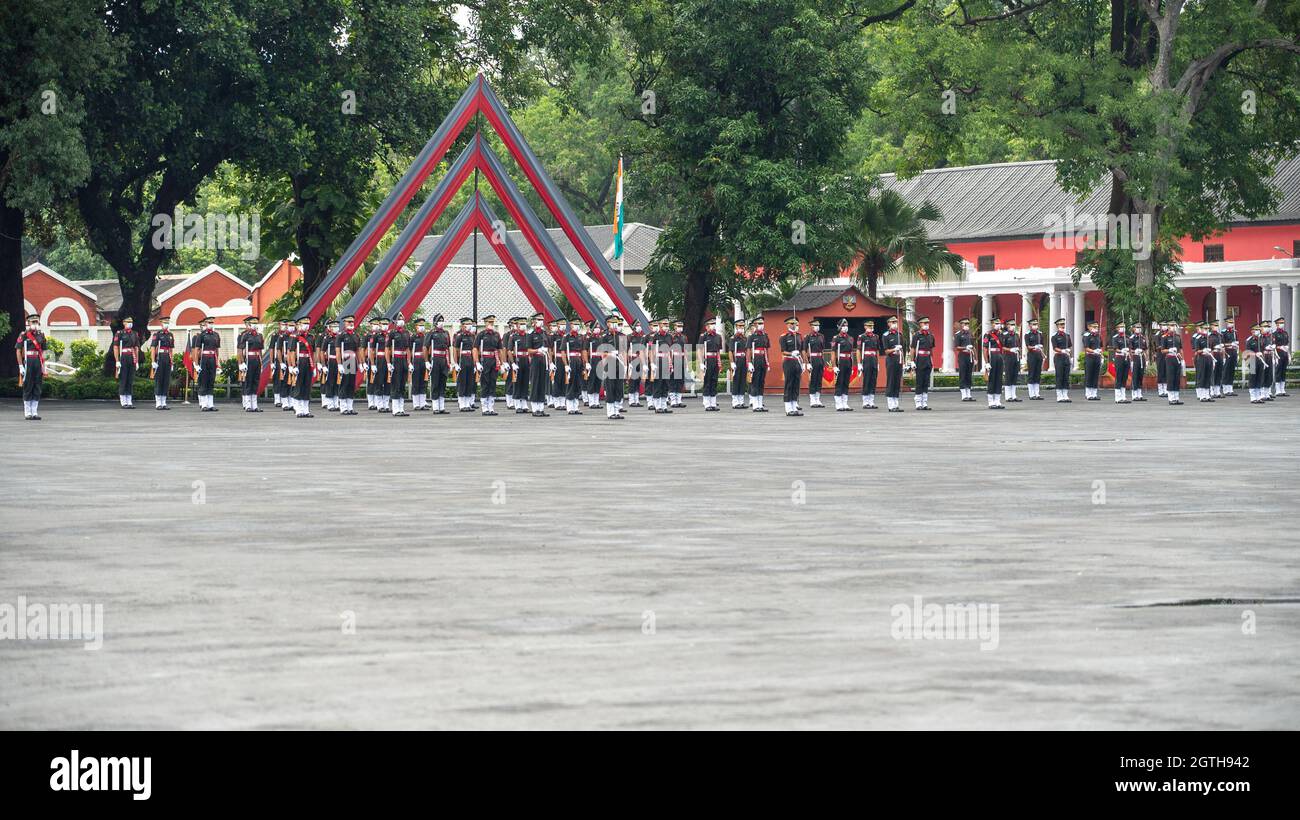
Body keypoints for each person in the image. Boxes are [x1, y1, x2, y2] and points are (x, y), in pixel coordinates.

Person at [15, 314, 47, 420]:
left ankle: (35, 412)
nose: (34, 324)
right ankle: (28, 412)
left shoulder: (41, 335)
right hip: (28, 362)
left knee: (37, 386)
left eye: (36, 322)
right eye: (32, 322)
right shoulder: (24, 334)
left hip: (38, 362)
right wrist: (20, 366)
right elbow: (18, 351)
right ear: (28, 323)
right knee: (28, 386)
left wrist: (44, 366)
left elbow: (43, 351)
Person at [236, 315, 265, 412]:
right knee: (248, 382)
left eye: (256, 323)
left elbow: (260, 350)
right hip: (248, 359)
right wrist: (241, 363)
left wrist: (261, 362)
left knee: (255, 382)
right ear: (248, 324)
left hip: (257, 359)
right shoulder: (245, 335)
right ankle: (248, 405)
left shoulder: (259, 335)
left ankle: (255, 405)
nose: (255, 325)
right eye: (253, 323)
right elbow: (240, 350)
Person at [193, 317, 222, 411]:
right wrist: (196, 364)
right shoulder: (201, 335)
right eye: (209, 322)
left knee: (211, 380)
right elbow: (197, 350)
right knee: (204, 380)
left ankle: (210, 404)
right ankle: (204, 404)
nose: (211, 324)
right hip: (204, 359)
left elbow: (217, 350)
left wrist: (217, 363)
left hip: (212, 358)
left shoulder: (216, 335)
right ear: (205, 324)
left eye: (212, 322)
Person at [112, 316, 142, 408]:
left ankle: (129, 401)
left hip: (132, 357)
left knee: (130, 380)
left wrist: (136, 361)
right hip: (123, 357)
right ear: (124, 323)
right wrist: (117, 361)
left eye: (131, 322)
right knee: (123, 379)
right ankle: (123, 401)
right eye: (128, 322)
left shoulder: (134, 334)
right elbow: (116, 347)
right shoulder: (119, 333)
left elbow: (136, 347)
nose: (130, 324)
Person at [475, 314, 502, 415]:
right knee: (485, 383)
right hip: (484, 360)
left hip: (494, 360)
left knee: (492, 382)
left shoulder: (496, 335)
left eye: (492, 322)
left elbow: (500, 349)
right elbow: (475, 348)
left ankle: (491, 407)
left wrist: (502, 363)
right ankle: (484, 407)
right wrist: (477, 362)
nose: (491, 324)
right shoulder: (481, 335)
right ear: (485, 323)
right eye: (489, 322)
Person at [600, 315, 627, 419]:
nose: (615, 325)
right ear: (608, 324)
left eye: (616, 322)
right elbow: (603, 353)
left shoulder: (622, 336)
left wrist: (625, 365)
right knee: (610, 388)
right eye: (612, 322)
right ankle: (611, 412)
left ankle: (617, 410)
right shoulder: (605, 336)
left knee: (619, 388)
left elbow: (624, 352)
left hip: (619, 365)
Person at [386, 312, 412, 416]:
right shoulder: (392, 333)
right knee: (396, 384)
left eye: (402, 318)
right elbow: (387, 349)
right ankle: (396, 409)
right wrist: (388, 363)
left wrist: (409, 362)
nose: (402, 320)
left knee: (402, 384)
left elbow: (408, 349)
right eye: (399, 318)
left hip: (403, 360)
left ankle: (401, 408)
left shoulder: (406, 333)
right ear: (395, 321)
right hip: (395, 359)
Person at [526, 312, 551, 417]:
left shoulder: (544, 333)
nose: (541, 322)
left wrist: (550, 362)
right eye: (539, 320)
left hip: (544, 361)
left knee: (542, 384)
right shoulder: (531, 334)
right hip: (536, 360)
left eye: (542, 320)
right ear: (534, 321)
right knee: (535, 384)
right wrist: (537, 350)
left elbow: (549, 348)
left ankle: (541, 408)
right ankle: (535, 409)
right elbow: (529, 350)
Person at [289, 318, 315, 417]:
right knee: (298, 385)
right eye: (304, 323)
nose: (307, 325)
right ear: (299, 324)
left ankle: (306, 410)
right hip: (299, 361)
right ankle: (298, 409)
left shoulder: (311, 337)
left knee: (307, 386)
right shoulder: (294, 336)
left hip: (308, 362)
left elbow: (313, 353)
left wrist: (315, 366)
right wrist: (293, 365)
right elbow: (291, 352)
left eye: (308, 323)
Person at [148, 317, 176, 410]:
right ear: (161, 324)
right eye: (165, 323)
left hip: (167, 358)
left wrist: (172, 361)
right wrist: (153, 361)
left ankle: (163, 402)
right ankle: (158, 402)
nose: (166, 324)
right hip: (160, 357)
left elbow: (171, 350)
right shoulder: (158, 334)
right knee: (159, 380)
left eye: (167, 323)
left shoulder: (170, 335)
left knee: (166, 380)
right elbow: (153, 348)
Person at [336, 315, 362, 415]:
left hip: (353, 360)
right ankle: (343, 407)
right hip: (345, 360)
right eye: (348, 322)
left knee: (351, 384)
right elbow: (338, 351)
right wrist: (339, 364)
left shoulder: (356, 336)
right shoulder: (341, 335)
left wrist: (360, 363)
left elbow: (358, 351)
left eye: (352, 322)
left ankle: (350, 407)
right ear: (344, 323)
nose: (351, 323)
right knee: (344, 384)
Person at [779, 316, 804, 416]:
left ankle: (794, 406)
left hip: (797, 361)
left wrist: (803, 362)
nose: (794, 326)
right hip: (788, 361)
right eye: (792, 324)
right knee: (789, 384)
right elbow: (783, 351)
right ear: (788, 325)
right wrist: (791, 353)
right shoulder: (784, 336)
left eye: (795, 324)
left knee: (796, 384)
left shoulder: (799, 336)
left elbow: (801, 349)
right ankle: (788, 408)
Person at [426, 314, 451, 414]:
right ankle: (436, 407)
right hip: (435, 358)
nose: (441, 322)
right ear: (435, 322)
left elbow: (448, 348)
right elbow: (425, 347)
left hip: (443, 359)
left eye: (442, 320)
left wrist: (449, 361)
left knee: (443, 382)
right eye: (439, 320)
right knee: (435, 383)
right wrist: (426, 361)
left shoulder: (446, 333)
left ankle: (442, 406)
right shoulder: (431, 333)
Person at [829, 319, 855, 411]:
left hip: (848, 361)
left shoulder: (850, 338)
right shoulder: (836, 338)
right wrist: (834, 366)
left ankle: (845, 403)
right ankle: (839, 403)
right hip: (840, 361)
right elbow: (833, 353)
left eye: (846, 326)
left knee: (846, 382)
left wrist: (852, 365)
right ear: (839, 327)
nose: (845, 327)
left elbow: (851, 352)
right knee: (839, 382)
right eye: (843, 326)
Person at [561, 320, 585, 414]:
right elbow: (563, 352)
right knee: (570, 383)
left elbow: (583, 351)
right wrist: (566, 364)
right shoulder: (566, 337)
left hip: (578, 361)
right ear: (571, 325)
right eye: (575, 324)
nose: (577, 326)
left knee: (578, 383)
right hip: (571, 361)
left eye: (578, 324)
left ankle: (576, 406)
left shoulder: (580, 337)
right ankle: (570, 407)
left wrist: (585, 363)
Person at [911, 315, 935, 410]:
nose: (926, 325)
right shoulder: (917, 335)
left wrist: (932, 361)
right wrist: (912, 361)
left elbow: (931, 349)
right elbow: (913, 349)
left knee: (926, 381)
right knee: (919, 381)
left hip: (927, 359)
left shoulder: (930, 335)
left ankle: (924, 402)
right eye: (925, 323)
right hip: (920, 359)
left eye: (927, 323)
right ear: (920, 324)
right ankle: (918, 403)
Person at [882, 315, 905, 412]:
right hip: (891, 360)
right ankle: (891, 405)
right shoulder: (886, 335)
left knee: (897, 382)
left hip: (898, 360)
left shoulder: (899, 335)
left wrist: (904, 362)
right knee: (891, 381)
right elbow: (886, 351)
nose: (895, 324)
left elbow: (903, 350)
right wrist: (894, 349)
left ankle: (896, 404)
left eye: (896, 322)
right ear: (888, 324)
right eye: (893, 322)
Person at [699, 319, 723, 411]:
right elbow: (699, 350)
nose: (713, 326)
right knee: (707, 381)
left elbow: (718, 351)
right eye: (711, 324)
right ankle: (706, 402)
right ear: (707, 326)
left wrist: (719, 362)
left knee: (714, 381)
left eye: (714, 324)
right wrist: (701, 362)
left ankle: (713, 403)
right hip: (707, 359)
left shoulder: (718, 336)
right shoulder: (703, 336)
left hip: (715, 359)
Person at [748, 317, 771, 412]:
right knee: (755, 382)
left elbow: (766, 350)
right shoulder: (752, 336)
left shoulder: (765, 335)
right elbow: (748, 350)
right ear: (756, 325)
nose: (762, 325)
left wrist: (768, 362)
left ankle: (760, 404)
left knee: (761, 382)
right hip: (755, 360)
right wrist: (749, 362)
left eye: (762, 323)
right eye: (760, 323)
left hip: (763, 360)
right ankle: (755, 404)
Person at [857, 320, 881, 409]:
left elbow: (877, 350)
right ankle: (865, 401)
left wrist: (878, 362)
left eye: (872, 326)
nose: (870, 328)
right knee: (866, 380)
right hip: (866, 359)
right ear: (865, 327)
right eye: (869, 326)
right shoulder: (862, 337)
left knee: (873, 380)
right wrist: (859, 363)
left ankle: (871, 401)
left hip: (874, 359)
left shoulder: (876, 337)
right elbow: (858, 350)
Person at [982, 317, 1005, 409]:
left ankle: (998, 401)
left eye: (999, 323)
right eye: (996, 323)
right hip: (992, 357)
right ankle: (991, 401)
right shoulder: (987, 335)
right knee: (992, 379)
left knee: (999, 379)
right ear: (992, 324)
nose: (998, 325)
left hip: (999, 357)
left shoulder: (1001, 334)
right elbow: (985, 349)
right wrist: (987, 362)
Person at [803, 319, 827, 408]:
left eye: (818, 325)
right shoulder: (808, 337)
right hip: (812, 359)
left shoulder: (821, 336)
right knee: (813, 380)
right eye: (815, 326)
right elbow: (804, 350)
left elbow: (822, 350)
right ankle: (812, 400)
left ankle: (818, 399)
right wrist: (807, 362)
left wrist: (823, 361)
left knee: (819, 379)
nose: (817, 327)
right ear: (811, 327)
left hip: (819, 359)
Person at [1160, 320, 1185, 405]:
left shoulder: (1177, 337)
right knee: (1171, 378)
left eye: (1174, 325)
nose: (1173, 327)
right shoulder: (1165, 337)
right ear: (1168, 327)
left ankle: (1176, 397)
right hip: (1170, 358)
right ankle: (1171, 398)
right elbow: (1162, 350)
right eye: (1171, 326)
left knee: (1177, 378)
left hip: (1177, 358)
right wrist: (1169, 350)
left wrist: (1183, 359)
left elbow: (1181, 349)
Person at [1191, 320, 1216, 402]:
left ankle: (1207, 395)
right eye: (1205, 328)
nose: (1206, 330)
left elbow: (1212, 350)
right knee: (1202, 376)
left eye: (1207, 329)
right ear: (1201, 329)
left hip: (1209, 358)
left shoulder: (1210, 339)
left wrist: (1213, 360)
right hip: (1201, 358)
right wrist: (1203, 350)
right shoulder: (1198, 339)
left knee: (1208, 376)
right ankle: (1202, 396)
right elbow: (1196, 351)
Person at [1050, 318, 1072, 402]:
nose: (1062, 326)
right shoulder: (1054, 336)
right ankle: (1059, 395)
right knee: (1059, 376)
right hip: (1059, 357)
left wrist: (1069, 352)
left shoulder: (1067, 335)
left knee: (1066, 376)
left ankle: (1065, 394)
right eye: (1060, 325)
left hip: (1066, 357)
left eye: (1063, 325)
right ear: (1057, 326)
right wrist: (1062, 350)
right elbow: (1055, 348)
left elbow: (1070, 346)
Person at [729, 319, 749, 409]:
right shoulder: (733, 338)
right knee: (736, 381)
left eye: (742, 326)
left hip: (743, 360)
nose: (741, 328)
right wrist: (732, 362)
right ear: (736, 327)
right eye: (740, 326)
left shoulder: (745, 338)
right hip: (737, 360)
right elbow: (730, 351)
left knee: (742, 381)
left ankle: (741, 401)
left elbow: (747, 351)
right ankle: (735, 401)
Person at [1110, 320, 1131, 403]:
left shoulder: (1127, 337)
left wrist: (1128, 350)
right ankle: (1118, 397)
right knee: (1119, 377)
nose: (1123, 328)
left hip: (1126, 358)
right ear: (1117, 328)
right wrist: (1122, 351)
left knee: (1124, 378)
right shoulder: (1115, 337)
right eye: (1121, 327)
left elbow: (1130, 347)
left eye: (1124, 327)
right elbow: (1115, 348)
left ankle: (1123, 396)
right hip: (1119, 358)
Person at [954, 318, 975, 401]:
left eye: (967, 324)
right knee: (963, 374)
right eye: (965, 324)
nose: (967, 325)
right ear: (961, 325)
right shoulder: (958, 334)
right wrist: (965, 347)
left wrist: (975, 358)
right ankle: (963, 394)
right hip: (962, 355)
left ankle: (969, 394)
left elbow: (973, 347)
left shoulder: (970, 334)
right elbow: (957, 347)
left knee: (969, 375)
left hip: (970, 355)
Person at [1024, 318, 1045, 400]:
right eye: (1033, 324)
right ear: (1030, 325)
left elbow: (1042, 344)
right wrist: (1034, 346)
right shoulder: (1027, 334)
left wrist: (1041, 351)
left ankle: (1037, 393)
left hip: (1038, 355)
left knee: (1037, 374)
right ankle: (1031, 394)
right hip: (1032, 355)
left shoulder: (1040, 334)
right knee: (1032, 374)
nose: (1035, 326)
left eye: (1036, 324)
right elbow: (1028, 346)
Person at [1000, 319, 1021, 402]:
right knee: (1008, 376)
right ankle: (1008, 396)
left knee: (1014, 376)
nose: (1012, 326)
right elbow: (1002, 347)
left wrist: (1018, 349)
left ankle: (1014, 395)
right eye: (1010, 325)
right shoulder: (1004, 335)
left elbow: (1019, 345)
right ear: (1007, 326)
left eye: (1013, 325)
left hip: (1016, 357)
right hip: (1008, 357)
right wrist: (1010, 349)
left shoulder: (1016, 335)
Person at [627, 321, 647, 407]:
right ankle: (631, 400)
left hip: (640, 360)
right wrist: (628, 362)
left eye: (640, 325)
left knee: (638, 380)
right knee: (632, 381)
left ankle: (637, 399)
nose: (639, 327)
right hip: (633, 359)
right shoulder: (629, 337)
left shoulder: (642, 337)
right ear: (634, 327)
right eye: (637, 326)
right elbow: (626, 350)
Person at [1082, 320, 1103, 401]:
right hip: (1090, 357)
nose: (1096, 328)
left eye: (1097, 327)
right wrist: (1094, 351)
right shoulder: (1086, 336)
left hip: (1097, 357)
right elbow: (1086, 347)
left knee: (1095, 376)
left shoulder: (1098, 336)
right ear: (1089, 327)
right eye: (1094, 327)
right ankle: (1088, 394)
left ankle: (1094, 394)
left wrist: (1101, 354)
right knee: (1089, 375)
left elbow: (1100, 346)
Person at [671, 320, 689, 408]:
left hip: (681, 359)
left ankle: (679, 400)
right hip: (674, 359)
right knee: (673, 380)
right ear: (674, 327)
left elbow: (685, 350)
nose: (680, 328)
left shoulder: (684, 337)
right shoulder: (671, 337)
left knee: (680, 381)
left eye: (681, 326)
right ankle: (673, 400)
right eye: (678, 326)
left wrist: (686, 362)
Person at [1128, 322, 1148, 401]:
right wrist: (1134, 352)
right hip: (1135, 358)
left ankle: (1139, 394)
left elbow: (1145, 349)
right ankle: (1134, 394)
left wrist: (1146, 360)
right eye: (1137, 327)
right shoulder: (1131, 338)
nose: (1139, 329)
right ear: (1133, 328)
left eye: (1140, 327)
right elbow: (1129, 350)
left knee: (1140, 375)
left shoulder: (1142, 338)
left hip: (1141, 357)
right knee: (1135, 376)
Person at [1220, 317, 1239, 397]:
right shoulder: (1223, 333)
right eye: (1230, 322)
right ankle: (1225, 389)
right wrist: (1230, 344)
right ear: (1226, 323)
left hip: (1233, 352)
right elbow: (1222, 344)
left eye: (1232, 322)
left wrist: (1237, 353)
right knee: (1226, 371)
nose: (1231, 324)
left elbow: (1237, 343)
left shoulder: (1234, 332)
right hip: (1227, 352)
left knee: (1231, 371)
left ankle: (1230, 388)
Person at [1271, 316, 1289, 397]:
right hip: (1278, 354)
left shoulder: (1285, 333)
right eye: (1280, 323)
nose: (1282, 324)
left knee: (1283, 372)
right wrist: (1280, 347)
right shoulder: (1274, 334)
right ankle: (1278, 390)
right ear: (1277, 324)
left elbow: (1286, 343)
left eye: (1283, 323)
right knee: (1278, 371)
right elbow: (1273, 345)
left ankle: (1282, 389)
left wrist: (1287, 352)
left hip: (1284, 354)